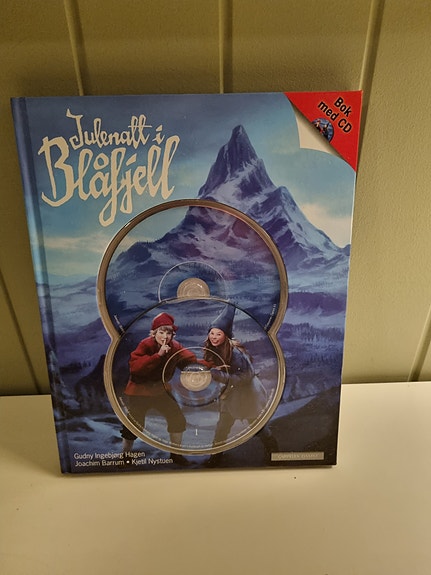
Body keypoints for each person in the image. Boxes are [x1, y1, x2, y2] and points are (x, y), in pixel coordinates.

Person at [203, 305, 278, 466]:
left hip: (247, 395)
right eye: (212, 333)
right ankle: (215, 457)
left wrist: (218, 375)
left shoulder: (235, 353)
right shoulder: (214, 349)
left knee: (257, 426)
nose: (214, 337)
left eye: (218, 334)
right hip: (229, 395)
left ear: (225, 336)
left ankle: (274, 452)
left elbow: (246, 376)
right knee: (222, 427)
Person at [121, 312, 195, 465]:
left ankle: (176, 454)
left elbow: (189, 359)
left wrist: (206, 366)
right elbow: (135, 368)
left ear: (172, 334)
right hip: (139, 392)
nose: (165, 336)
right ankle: (125, 456)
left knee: (177, 419)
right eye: (161, 332)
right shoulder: (145, 344)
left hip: (161, 391)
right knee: (134, 423)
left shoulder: (175, 346)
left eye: (169, 333)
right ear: (154, 333)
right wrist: (158, 355)